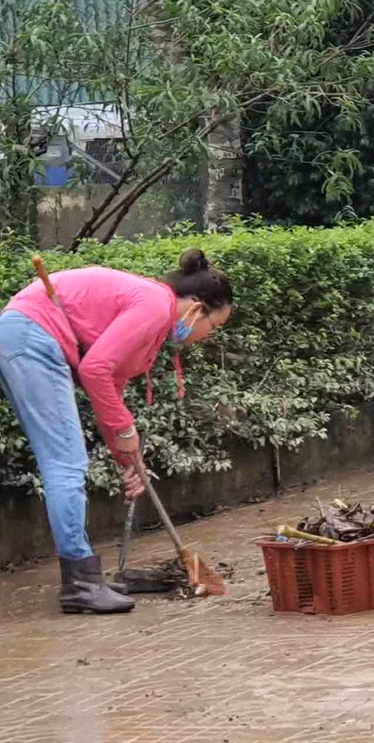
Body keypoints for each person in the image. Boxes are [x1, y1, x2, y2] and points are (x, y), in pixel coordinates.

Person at [0, 250, 234, 615]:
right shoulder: (156, 304)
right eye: (213, 326)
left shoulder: (153, 326)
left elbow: (111, 387)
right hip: (33, 336)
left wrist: (126, 456)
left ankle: (83, 580)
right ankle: (80, 583)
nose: (205, 336)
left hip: (24, 335)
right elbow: (95, 370)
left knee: (65, 459)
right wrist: (124, 430)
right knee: (66, 463)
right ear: (195, 307)